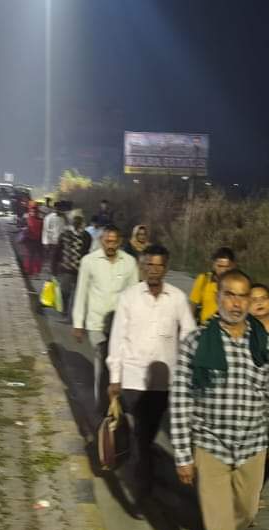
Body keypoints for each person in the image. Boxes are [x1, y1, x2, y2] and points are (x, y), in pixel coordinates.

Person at [170, 269, 269, 530]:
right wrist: (183, 454)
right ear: (218, 297)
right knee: (220, 524)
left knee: (246, 512)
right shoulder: (196, 342)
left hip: (253, 445)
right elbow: (180, 400)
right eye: (229, 295)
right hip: (211, 445)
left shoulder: (263, 343)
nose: (235, 303)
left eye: (242, 297)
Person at [106, 244, 196, 510]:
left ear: (166, 268)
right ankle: (140, 493)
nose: (154, 271)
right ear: (142, 267)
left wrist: (190, 373)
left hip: (164, 382)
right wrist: (115, 377)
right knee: (141, 437)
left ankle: (142, 477)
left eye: (159, 266)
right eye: (149, 265)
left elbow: (189, 336)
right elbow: (117, 339)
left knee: (146, 436)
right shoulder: (128, 298)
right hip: (133, 378)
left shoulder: (178, 298)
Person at [73, 225, 138, 412]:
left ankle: (116, 402)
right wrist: (78, 324)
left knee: (118, 364)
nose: (110, 245)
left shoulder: (129, 263)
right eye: (107, 241)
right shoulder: (89, 261)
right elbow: (81, 293)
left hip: (120, 323)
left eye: (114, 241)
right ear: (101, 240)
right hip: (97, 323)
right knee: (103, 362)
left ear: (120, 242)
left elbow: (134, 295)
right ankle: (102, 405)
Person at [189, 247, 237, 323]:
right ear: (214, 265)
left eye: (227, 267)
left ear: (233, 266)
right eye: (220, 266)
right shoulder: (203, 280)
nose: (223, 270)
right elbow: (192, 307)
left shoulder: (239, 283)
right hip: (206, 329)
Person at [57, 211, 89, 319]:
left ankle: (73, 315)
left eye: (79, 219)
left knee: (78, 294)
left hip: (81, 269)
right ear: (71, 221)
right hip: (67, 268)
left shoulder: (86, 236)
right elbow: (58, 250)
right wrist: (54, 266)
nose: (76, 221)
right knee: (65, 291)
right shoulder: (65, 234)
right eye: (75, 219)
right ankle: (65, 310)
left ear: (82, 221)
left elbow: (88, 253)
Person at [41, 200, 71, 280]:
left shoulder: (64, 217)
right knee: (53, 258)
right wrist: (46, 242)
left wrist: (66, 219)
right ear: (55, 208)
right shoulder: (49, 217)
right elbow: (45, 230)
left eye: (61, 209)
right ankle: (53, 275)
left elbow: (67, 227)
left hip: (63, 241)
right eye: (58, 208)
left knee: (61, 258)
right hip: (52, 242)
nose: (59, 210)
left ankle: (60, 273)